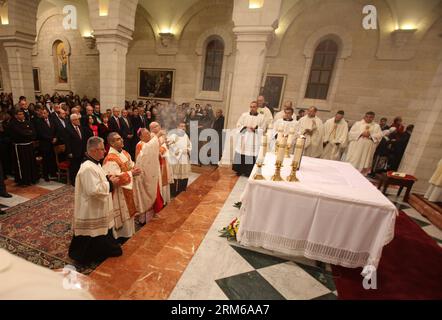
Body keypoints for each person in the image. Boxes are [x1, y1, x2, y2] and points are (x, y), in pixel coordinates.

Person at [68, 136, 122, 265]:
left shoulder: (94, 163)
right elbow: (93, 190)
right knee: (92, 233)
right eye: (102, 149)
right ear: (93, 150)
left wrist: (107, 178)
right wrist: (111, 184)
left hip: (97, 206)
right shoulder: (87, 167)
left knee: (100, 232)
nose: (105, 151)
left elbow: (98, 179)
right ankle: (84, 256)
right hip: (91, 208)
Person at [102, 132, 142, 241]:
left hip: (128, 189)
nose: (122, 140)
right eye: (119, 139)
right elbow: (113, 179)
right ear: (111, 143)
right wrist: (131, 173)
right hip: (119, 193)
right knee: (123, 215)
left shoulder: (124, 152)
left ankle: (130, 233)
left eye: (121, 138)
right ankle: (122, 237)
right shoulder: (110, 159)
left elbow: (131, 164)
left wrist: (135, 169)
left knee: (129, 215)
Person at [133, 128, 163, 225]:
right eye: (146, 133)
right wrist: (157, 136)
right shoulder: (140, 144)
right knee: (145, 195)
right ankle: (144, 219)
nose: (149, 135)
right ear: (141, 136)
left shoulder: (149, 143)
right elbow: (138, 158)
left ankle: (152, 215)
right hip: (144, 174)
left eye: (149, 133)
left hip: (151, 171)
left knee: (153, 192)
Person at [232, 101, 266, 177]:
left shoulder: (261, 117)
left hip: (253, 139)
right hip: (244, 137)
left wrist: (255, 129)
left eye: (254, 107)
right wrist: (245, 127)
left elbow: (263, 129)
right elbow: (238, 124)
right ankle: (239, 170)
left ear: (257, 108)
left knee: (250, 154)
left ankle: (248, 171)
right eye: (251, 107)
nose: (252, 108)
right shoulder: (244, 115)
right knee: (241, 153)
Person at [7, 109, 39, 186]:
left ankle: (32, 178)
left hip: (29, 145)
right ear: (16, 115)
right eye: (20, 114)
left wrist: (28, 133)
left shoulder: (28, 122)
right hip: (20, 147)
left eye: (22, 114)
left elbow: (34, 132)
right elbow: (21, 133)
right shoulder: (13, 124)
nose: (22, 115)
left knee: (30, 162)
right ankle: (23, 180)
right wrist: (28, 132)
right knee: (22, 164)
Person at [149, 121, 173, 205]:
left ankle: (165, 199)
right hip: (157, 161)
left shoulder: (161, 135)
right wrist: (163, 148)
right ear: (151, 129)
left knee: (164, 180)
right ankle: (160, 201)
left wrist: (167, 144)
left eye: (158, 125)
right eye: (156, 126)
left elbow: (164, 145)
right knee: (160, 181)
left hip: (164, 160)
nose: (158, 127)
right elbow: (152, 149)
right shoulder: (150, 137)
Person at [168, 122, 192, 197]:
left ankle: (182, 190)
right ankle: (173, 192)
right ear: (177, 127)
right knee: (174, 176)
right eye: (181, 126)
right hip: (176, 158)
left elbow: (189, 145)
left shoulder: (185, 135)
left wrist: (188, 149)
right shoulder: (173, 135)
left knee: (184, 175)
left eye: (184, 126)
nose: (183, 128)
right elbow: (170, 144)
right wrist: (179, 151)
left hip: (184, 157)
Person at [34, 109, 57, 181]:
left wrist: (55, 137)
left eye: (45, 113)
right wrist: (51, 138)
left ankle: (53, 172)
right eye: (42, 113)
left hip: (52, 143)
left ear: (47, 113)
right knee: (45, 160)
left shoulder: (52, 120)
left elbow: (56, 130)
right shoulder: (39, 122)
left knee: (52, 159)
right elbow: (41, 133)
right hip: (45, 144)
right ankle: (45, 175)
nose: (44, 114)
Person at [66, 114, 87, 185]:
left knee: (81, 166)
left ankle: (81, 180)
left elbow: (83, 139)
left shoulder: (80, 127)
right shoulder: (68, 129)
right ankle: (74, 182)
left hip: (81, 150)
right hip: (73, 151)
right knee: (74, 167)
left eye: (78, 119)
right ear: (73, 120)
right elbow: (67, 142)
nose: (78, 120)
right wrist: (69, 152)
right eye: (77, 119)